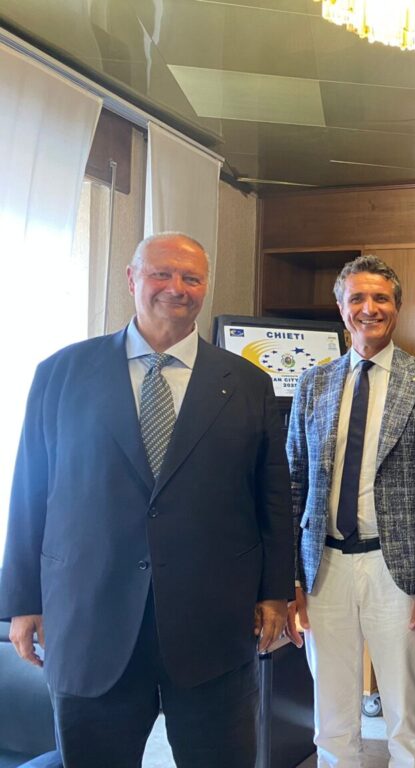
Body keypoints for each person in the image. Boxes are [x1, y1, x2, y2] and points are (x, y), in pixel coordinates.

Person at [0, 233, 293, 768]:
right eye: (161, 273)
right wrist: (22, 600)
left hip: (213, 626)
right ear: (132, 278)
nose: (176, 288)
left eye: (191, 278)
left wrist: (275, 593)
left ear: (205, 287)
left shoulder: (248, 384)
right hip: (91, 620)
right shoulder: (61, 374)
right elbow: (29, 493)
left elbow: (272, 495)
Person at [287, 255, 415, 767]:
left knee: (407, 718)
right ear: (341, 309)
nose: (369, 308)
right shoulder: (312, 383)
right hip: (324, 568)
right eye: (357, 298)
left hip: (398, 570)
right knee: (332, 719)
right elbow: (294, 481)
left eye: (380, 298)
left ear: (397, 308)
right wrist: (291, 575)